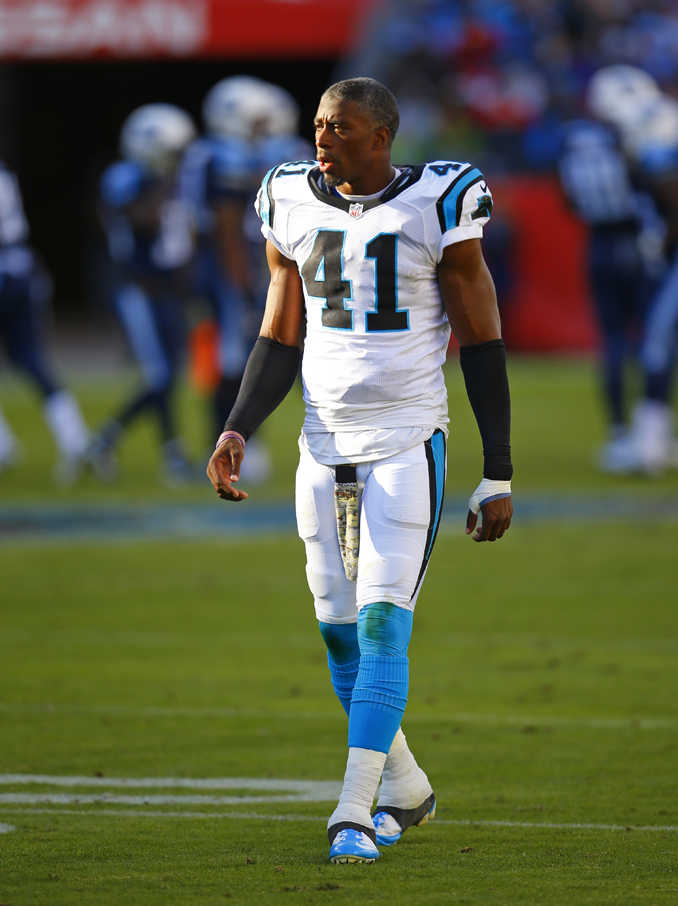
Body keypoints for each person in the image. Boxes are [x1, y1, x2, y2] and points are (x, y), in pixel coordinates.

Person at [206, 77, 513, 864]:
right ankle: (406, 787)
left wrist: (499, 469)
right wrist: (238, 426)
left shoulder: (437, 201)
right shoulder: (286, 197)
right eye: (317, 123)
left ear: (381, 138)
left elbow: (480, 340)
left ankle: (351, 811)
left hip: (408, 441)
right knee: (338, 634)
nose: (319, 137)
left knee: (382, 624)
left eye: (338, 127)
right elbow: (280, 331)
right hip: (321, 442)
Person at [181, 76, 311, 483]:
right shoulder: (218, 158)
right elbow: (221, 223)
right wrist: (239, 281)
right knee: (236, 360)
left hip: (264, 265)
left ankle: (236, 442)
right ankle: (232, 443)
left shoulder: (260, 153)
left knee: (268, 357)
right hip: (234, 269)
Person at [89, 103, 198, 483]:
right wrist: (166, 186)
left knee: (170, 375)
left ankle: (171, 455)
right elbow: (141, 217)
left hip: (167, 289)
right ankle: (104, 442)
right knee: (160, 376)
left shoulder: (166, 181)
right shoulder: (128, 178)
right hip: (138, 288)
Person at [588, 65, 678, 473]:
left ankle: (649, 441)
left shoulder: (652, 130)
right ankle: (652, 437)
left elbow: (669, 194)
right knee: (656, 338)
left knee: (656, 339)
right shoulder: (657, 121)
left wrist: (662, 240)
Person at [557, 116, 659, 472]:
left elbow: (569, 201)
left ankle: (619, 433)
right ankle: (652, 430)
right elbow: (648, 185)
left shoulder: (571, 141)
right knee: (654, 339)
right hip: (634, 241)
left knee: (613, 342)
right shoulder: (624, 136)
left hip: (598, 245)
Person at [0, 159, 92, 483]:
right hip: (21, 266)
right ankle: (75, 438)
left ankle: (5, 448)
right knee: (33, 360)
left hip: (7, 270)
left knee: (31, 359)